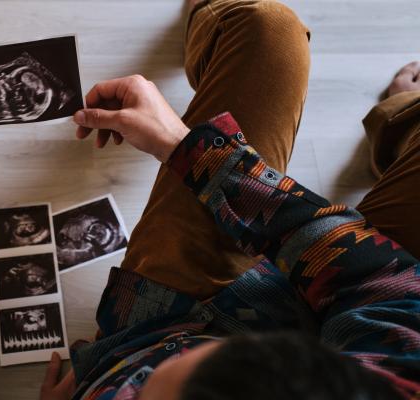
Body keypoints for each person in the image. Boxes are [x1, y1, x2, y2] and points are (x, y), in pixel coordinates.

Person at [39, 0, 420, 399]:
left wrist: (183, 147)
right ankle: (399, 122)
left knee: (267, 27)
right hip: (367, 307)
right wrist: (189, 150)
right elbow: (382, 279)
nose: (146, 379)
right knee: (270, 30)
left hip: (156, 318)